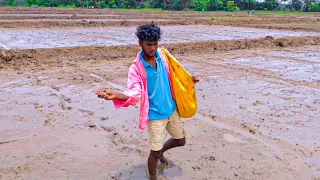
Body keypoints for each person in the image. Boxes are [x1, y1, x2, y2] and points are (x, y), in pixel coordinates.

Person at [96, 23, 199, 180]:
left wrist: (189, 79)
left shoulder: (163, 56)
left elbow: (177, 71)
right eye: (148, 44)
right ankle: (152, 177)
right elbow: (135, 91)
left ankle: (162, 152)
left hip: (172, 109)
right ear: (140, 44)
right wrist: (118, 95)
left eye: (155, 44)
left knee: (180, 140)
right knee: (154, 153)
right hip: (155, 114)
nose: (152, 48)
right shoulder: (136, 68)